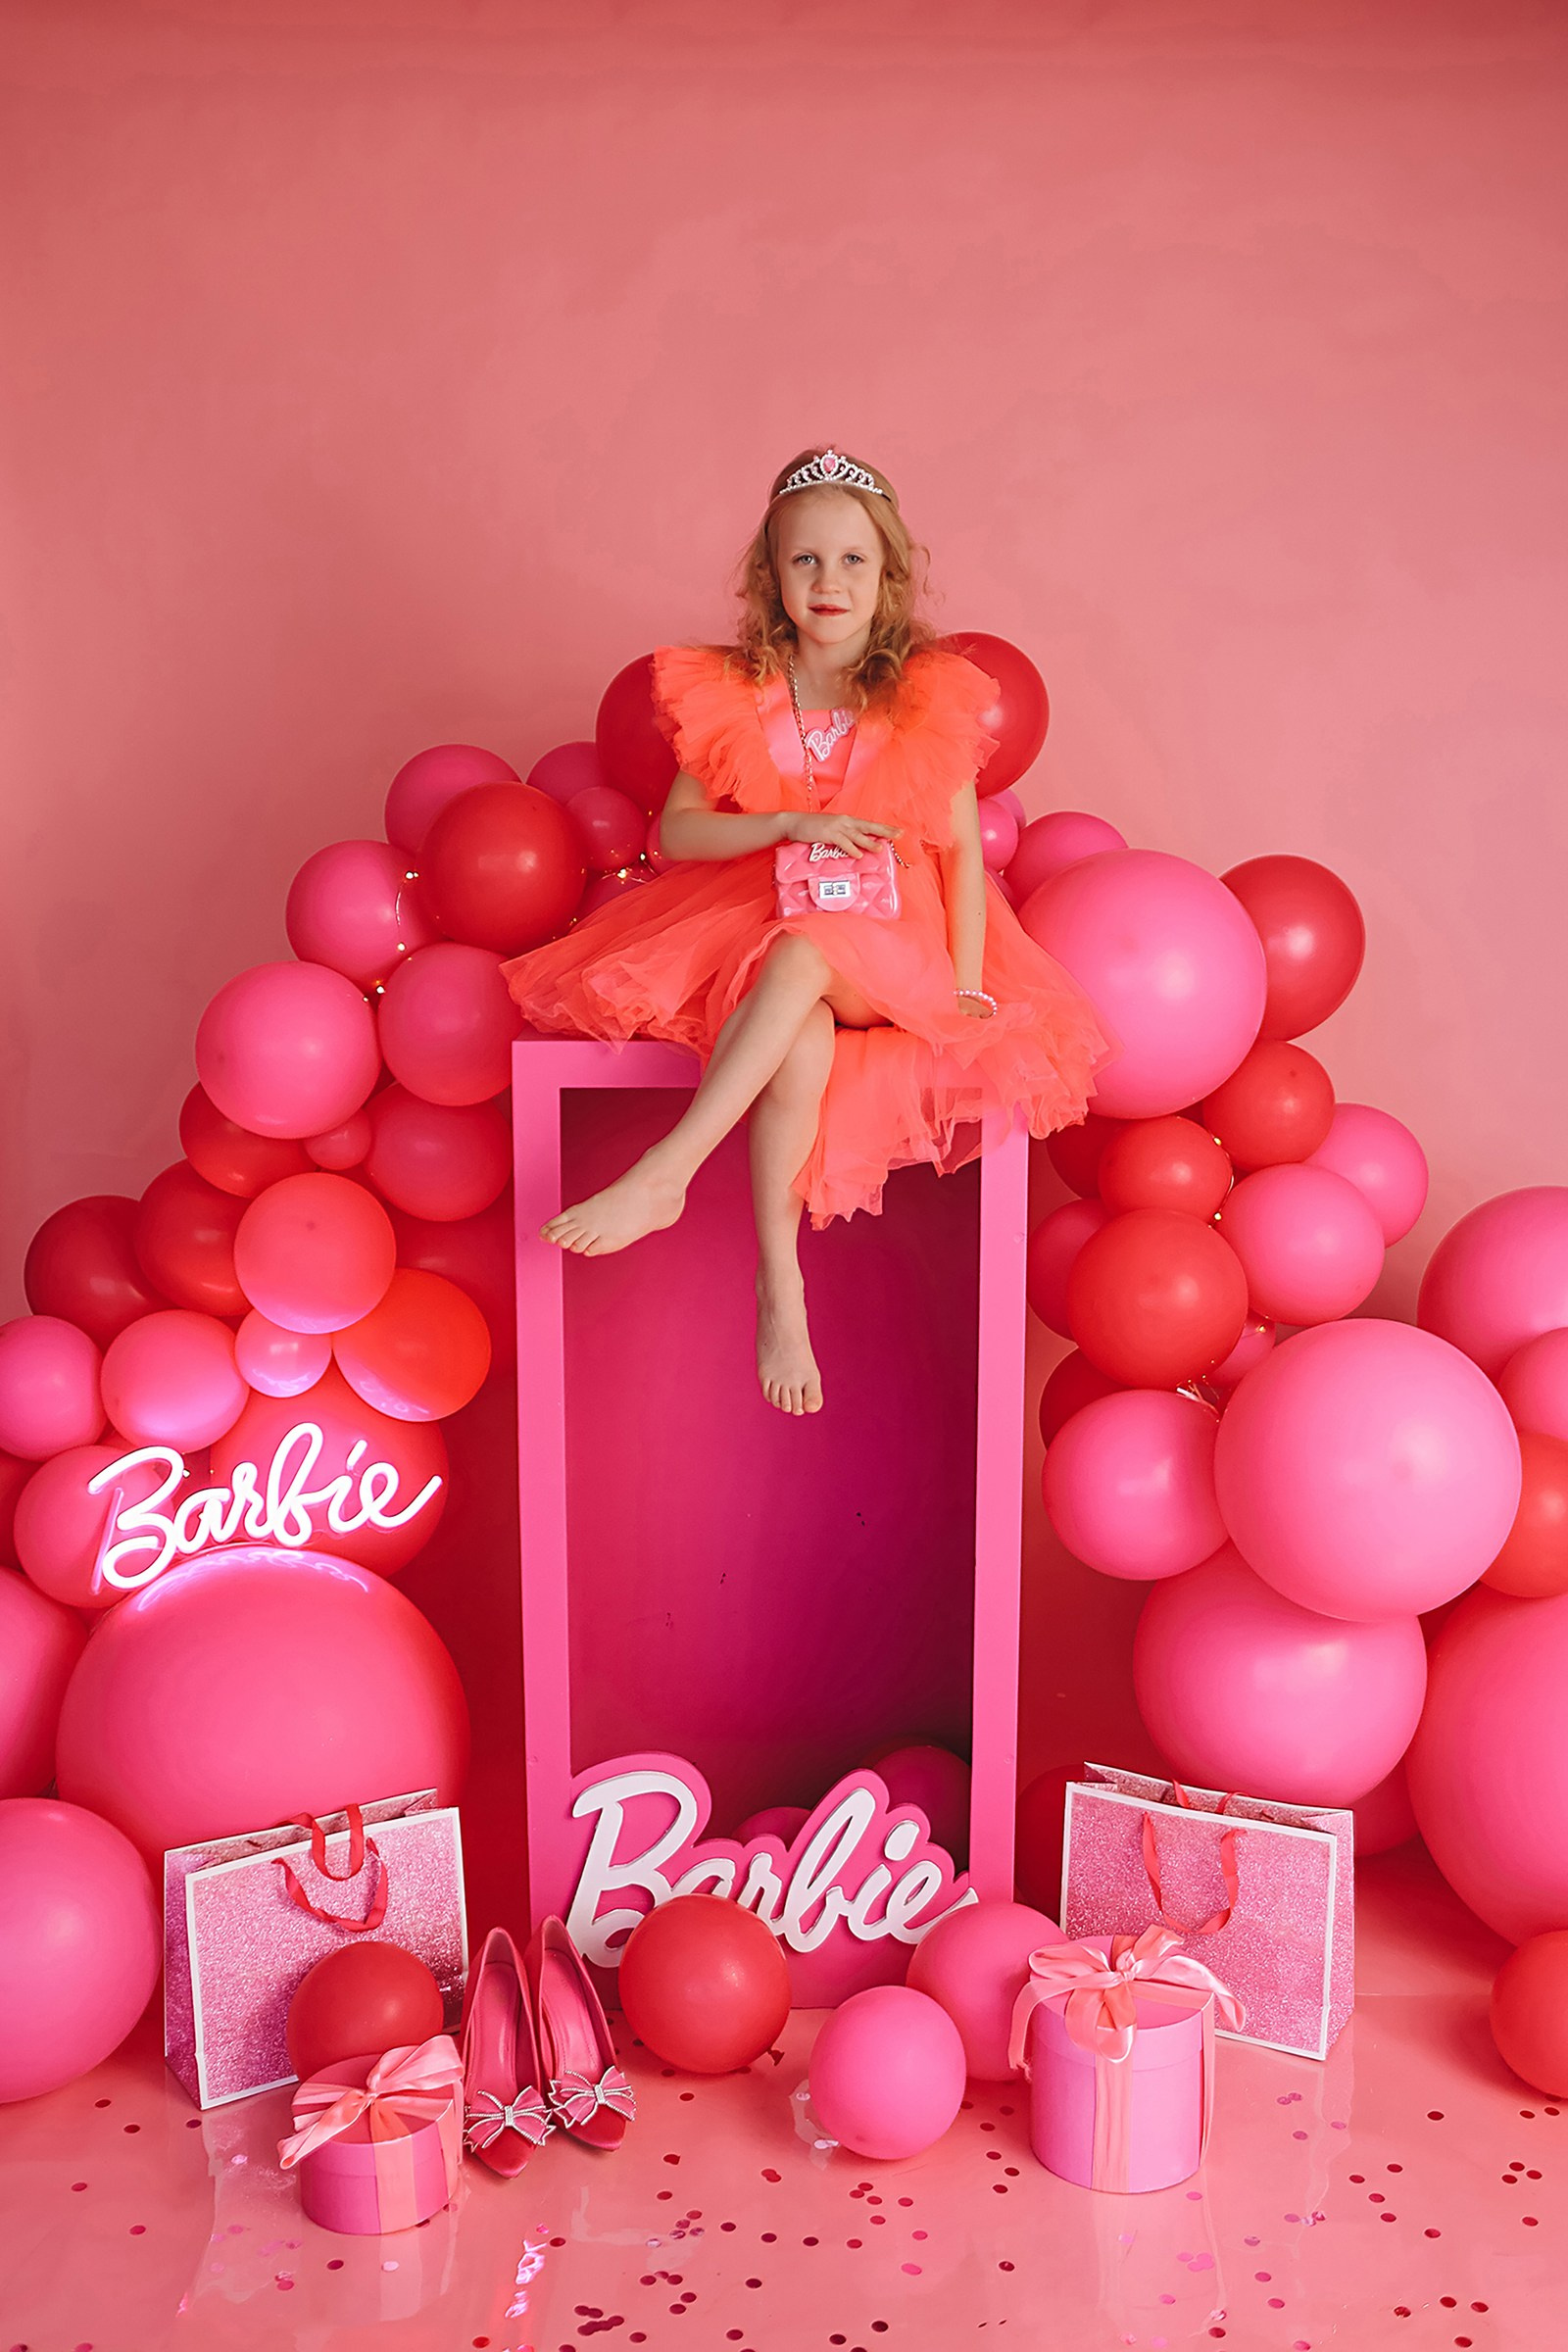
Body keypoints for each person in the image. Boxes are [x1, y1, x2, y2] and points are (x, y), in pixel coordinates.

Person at [502, 446, 1115, 1416]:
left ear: (889, 575)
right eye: (805, 561)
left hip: (897, 944)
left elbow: (961, 855)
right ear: (771, 575)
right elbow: (677, 833)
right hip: (778, 916)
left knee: (805, 951)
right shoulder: (741, 688)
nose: (829, 582)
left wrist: (964, 982)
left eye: (853, 561)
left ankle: (667, 1172)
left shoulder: (921, 694)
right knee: (801, 1033)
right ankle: (779, 1289)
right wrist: (788, 821)